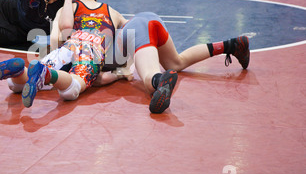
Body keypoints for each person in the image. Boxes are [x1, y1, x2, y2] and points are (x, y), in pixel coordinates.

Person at [0, 0, 129, 108]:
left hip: (69, 46)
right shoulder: (112, 12)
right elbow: (131, 32)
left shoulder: (68, 8)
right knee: (71, 90)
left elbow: (56, 38)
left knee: (17, 86)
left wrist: (56, 55)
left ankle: (19, 72)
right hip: (92, 50)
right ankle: (46, 74)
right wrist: (120, 72)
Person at [102, 11, 250, 113]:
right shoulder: (107, 12)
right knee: (176, 63)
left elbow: (98, 78)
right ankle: (231, 45)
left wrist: (118, 74)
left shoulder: (87, 52)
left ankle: (160, 81)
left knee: (149, 77)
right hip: (147, 19)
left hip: (135, 30)